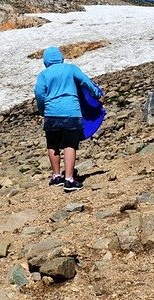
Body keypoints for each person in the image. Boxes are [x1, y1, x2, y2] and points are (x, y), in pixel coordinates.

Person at [34, 46, 103, 192]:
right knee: (70, 144)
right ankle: (69, 179)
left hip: (51, 114)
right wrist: (96, 94)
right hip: (71, 112)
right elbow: (85, 82)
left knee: (53, 144)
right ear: (61, 57)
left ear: (45, 61)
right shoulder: (71, 69)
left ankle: (56, 175)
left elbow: (39, 94)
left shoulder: (43, 75)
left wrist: (42, 110)